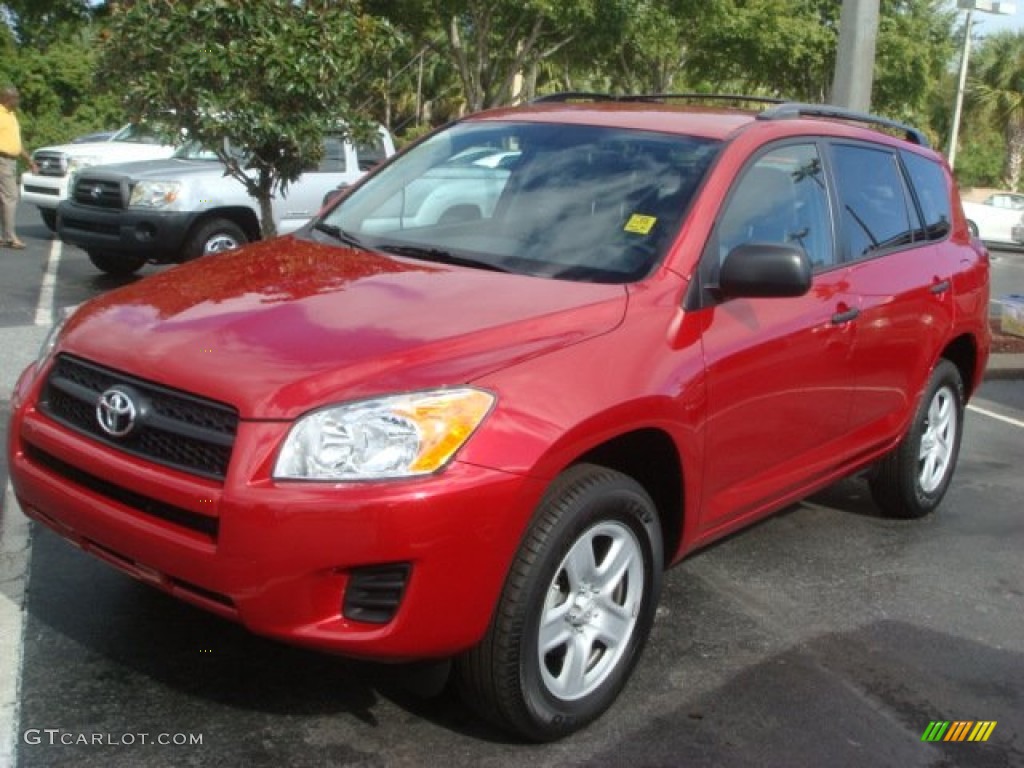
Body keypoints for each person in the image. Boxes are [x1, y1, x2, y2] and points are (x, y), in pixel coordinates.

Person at [0, 84, 37, 249]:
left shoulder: (11, 115)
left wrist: (29, 160)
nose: (18, 100)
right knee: (10, 197)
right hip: (3, 160)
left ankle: (5, 235)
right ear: (7, 99)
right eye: (16, 97)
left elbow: (16, 142)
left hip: (11, 161)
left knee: (5, 198)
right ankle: (10, 236)